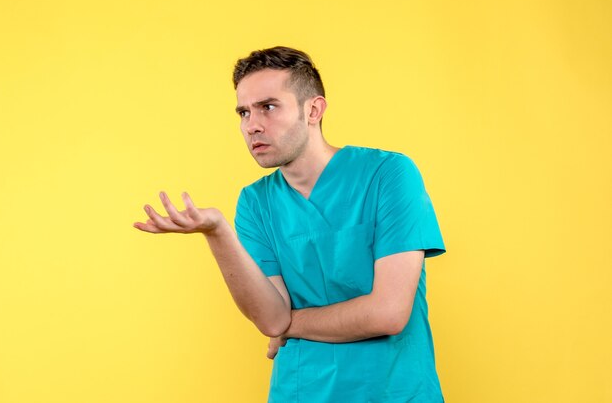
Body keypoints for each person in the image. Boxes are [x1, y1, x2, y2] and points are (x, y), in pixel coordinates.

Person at [133, 46, 446, 402]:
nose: (252, 125)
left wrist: (289, 323)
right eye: (243, 112)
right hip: (300, 390)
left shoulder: (387, 175)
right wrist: (217, 231)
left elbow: (388, 313)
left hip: (392, 390)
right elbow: (269, 318)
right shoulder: (255, 202)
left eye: (268, 106)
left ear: (313, 110)